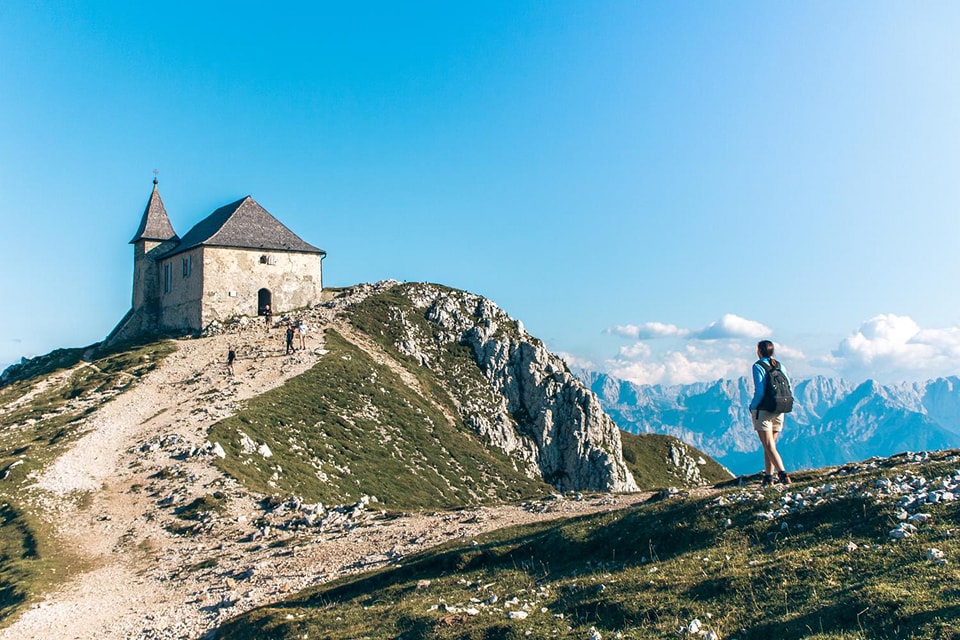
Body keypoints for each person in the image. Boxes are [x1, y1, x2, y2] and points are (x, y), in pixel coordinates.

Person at [749, 340, 791, 486]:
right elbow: (789, 386)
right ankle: (768, 477)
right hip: (779, 409)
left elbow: (759, 391)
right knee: (770, 445)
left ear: (759, 351)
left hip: (764, 410)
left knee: (768, 445)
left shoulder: (758, 366)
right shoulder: (780, 365)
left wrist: (753, 407)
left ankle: (783, 474)